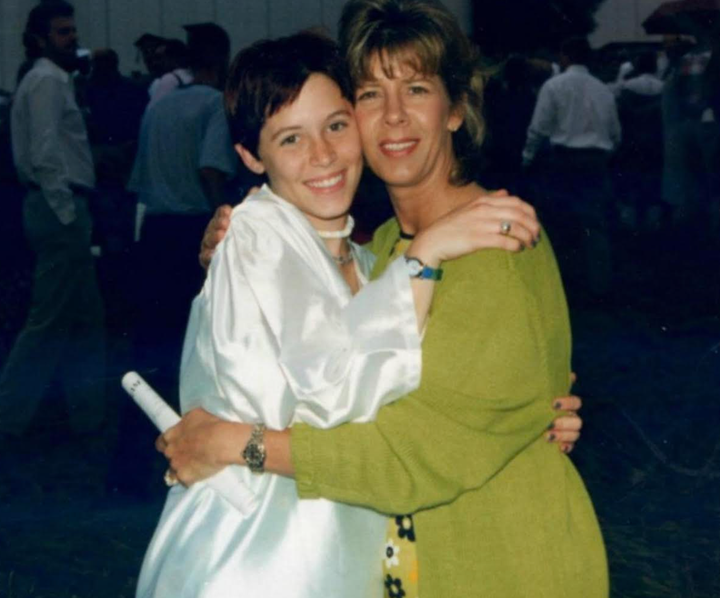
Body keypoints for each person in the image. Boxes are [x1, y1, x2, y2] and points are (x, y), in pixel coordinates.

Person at [163, 1, 605, 597]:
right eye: (370, 94)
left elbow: (409, 456)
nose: (393, 118)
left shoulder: (493, 239)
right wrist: (237, 246)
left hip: (500, 561)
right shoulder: (385, 249)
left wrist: (233, 443)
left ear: (455, 109)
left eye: (416, 88)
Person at [0, 0, 105, 438]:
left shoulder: (50, 79)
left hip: (58, 205)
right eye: (63, 32)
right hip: (58, 206)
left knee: (85, 320)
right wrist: (65, 213)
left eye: (72, 30)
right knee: (48, 324)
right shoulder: (46, 81)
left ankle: (89, 417)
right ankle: (8, 418)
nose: (73, 38)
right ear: (41, 39)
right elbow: (45, 154)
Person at [522, 36, 621, 303]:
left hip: (563, 160)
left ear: (564, 57)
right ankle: (599, 285)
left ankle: (560, 285)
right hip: (595, 160)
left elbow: (539, 128)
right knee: (594, 224)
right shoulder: (603, 89)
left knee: (557, 222)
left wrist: (527, 157)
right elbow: (615, 133)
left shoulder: (553, 86)